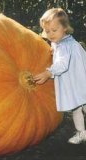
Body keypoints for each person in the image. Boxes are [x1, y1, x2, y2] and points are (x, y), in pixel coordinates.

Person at [33, 8, 86, 144]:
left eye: (54, 30)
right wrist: (54, 50)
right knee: (77, 107)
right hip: (77, 80)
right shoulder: (63, 41)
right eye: (47, 31)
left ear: (65, 28)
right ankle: (82, 133)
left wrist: (48, 72)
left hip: (77, 80)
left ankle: (81, 132)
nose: (50, 34)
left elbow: (62, 64)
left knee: (80, 106)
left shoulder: (64, 46)